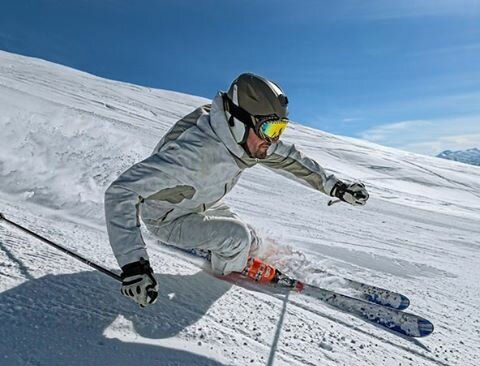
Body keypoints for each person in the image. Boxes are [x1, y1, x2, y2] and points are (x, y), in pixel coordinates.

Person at [105, 73, 369, 307]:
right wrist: (134, 265)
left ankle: (235, 252)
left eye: (280, 129)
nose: (273, 141)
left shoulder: (247, 138)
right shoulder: (193, 152)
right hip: (166, 217)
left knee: (253, 239)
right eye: (270, 129)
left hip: (202, 201)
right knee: (238, 238)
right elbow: (121, 192)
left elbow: (291, 160)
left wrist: (337, 187)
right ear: (238, 120)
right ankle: (231, 268)